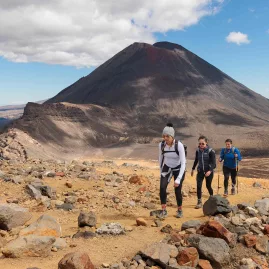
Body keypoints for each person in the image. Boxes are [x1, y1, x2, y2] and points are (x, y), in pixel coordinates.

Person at [158, 123, 186, 218]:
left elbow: (183, 163)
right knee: (162, 188)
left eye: (167, 136)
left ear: (172, 136)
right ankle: (163, 210)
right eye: (164, 136)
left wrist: (178, 179)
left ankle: (179, 210)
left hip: (178, 168)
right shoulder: (161, 145)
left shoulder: (179, 146)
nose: (165, 138)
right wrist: (161, 171)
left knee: (177, 190)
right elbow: (160, 159)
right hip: (167, 168)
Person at [191, 135, 216, 209]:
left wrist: (210, 171)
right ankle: (199, 202)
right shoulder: (198, 151)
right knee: (199, 186)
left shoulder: (211, 151)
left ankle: (212, 198)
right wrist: (193, 169)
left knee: (208, 186)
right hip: (200, 171)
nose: (201, 145)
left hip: (208, 172)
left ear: (206, 143)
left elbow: (213, 163)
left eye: (203, 143)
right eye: (200, 144)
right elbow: (196, 160)